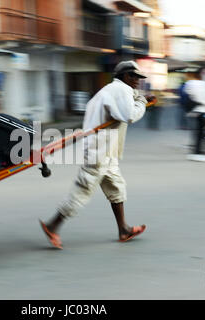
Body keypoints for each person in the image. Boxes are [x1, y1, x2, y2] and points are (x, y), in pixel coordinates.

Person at [39, 60, 154, 249]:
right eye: (134, 77)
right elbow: (129, 115)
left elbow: (127, 102)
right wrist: (142, 102)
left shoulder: (108, 91)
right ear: (125, 76)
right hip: (100, 150)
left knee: (116, 186)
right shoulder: (121, 91)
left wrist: (140, 98)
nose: (138, 81)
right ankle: (53, 224)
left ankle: (123, 229)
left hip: (103, 149)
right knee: (83, 189)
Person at [184, 68, 205, 162]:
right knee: (202, 133)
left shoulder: (189, 84)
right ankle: (199, 153)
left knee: (197, 133)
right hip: (203, 111)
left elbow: (189, 95)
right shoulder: (203, 84)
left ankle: (195, 152)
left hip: (194, 111)